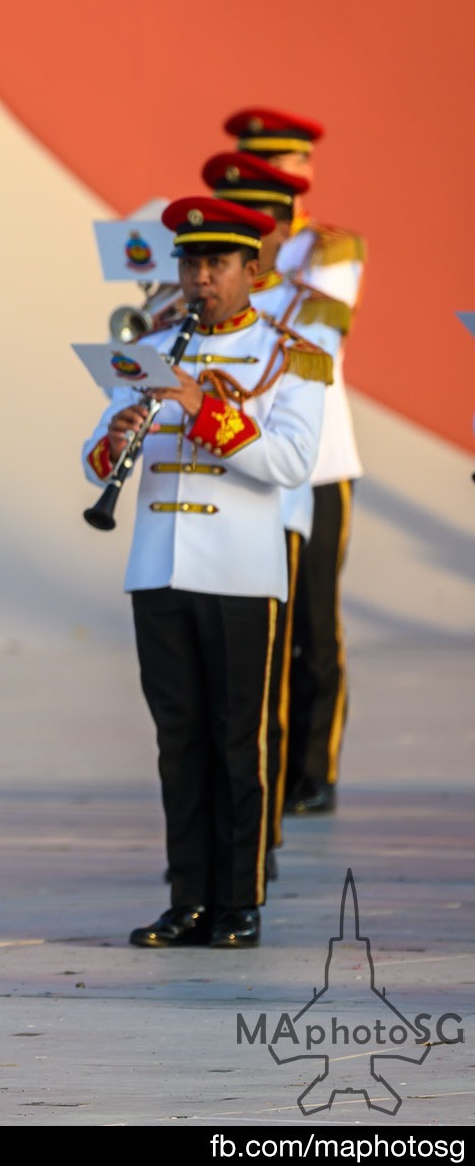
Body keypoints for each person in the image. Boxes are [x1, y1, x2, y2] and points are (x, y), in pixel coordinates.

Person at [81, 197, 329, 950]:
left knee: (237, 742)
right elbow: (96, 445)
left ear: (253, 270)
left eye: (216, 264)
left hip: (241, 571)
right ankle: (186, 897)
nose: (199, 278)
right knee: (177, 740)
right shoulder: (155, 347)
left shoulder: (294, 355)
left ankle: (239, 900)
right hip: (158, 563)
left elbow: (288, 463)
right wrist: (118, 433)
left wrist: (200, 409)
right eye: (190, 263)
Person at [200, 152, 348, 868]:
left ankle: (301, 780)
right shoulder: (197, 307)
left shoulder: (317, 291)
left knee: (305, 636)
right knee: (239, 677)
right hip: (224, 498)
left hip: (294, 479)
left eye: (263, 223)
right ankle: (255, 814)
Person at [223, 108, 363, 818]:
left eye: (286, 164)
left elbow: (317, 335)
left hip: (320, 462)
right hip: (243, 458)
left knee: (312, 619)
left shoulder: (329, 252)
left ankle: (313, 766)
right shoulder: (227, 255)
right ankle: (264, 765)